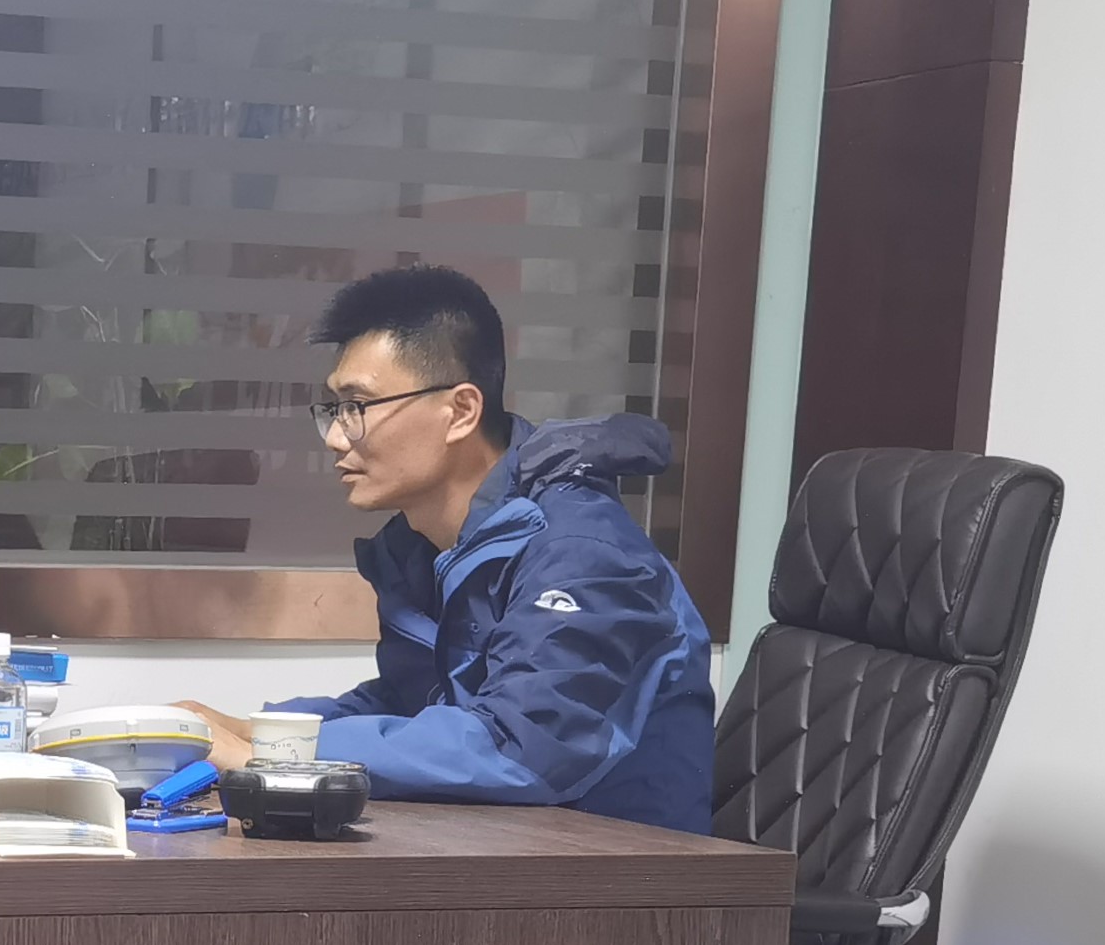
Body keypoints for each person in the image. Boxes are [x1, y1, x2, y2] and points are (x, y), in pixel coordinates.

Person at [186, 264, 713, 831]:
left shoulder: (584, 552)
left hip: (628, 868)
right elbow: (410, 703)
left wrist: (270, 759)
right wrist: (245, 729)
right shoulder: (426, 548)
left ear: (461, 411)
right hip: (499, 850)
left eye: (358, 407)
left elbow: (521, 746)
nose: (337, 436)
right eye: (334, 410)